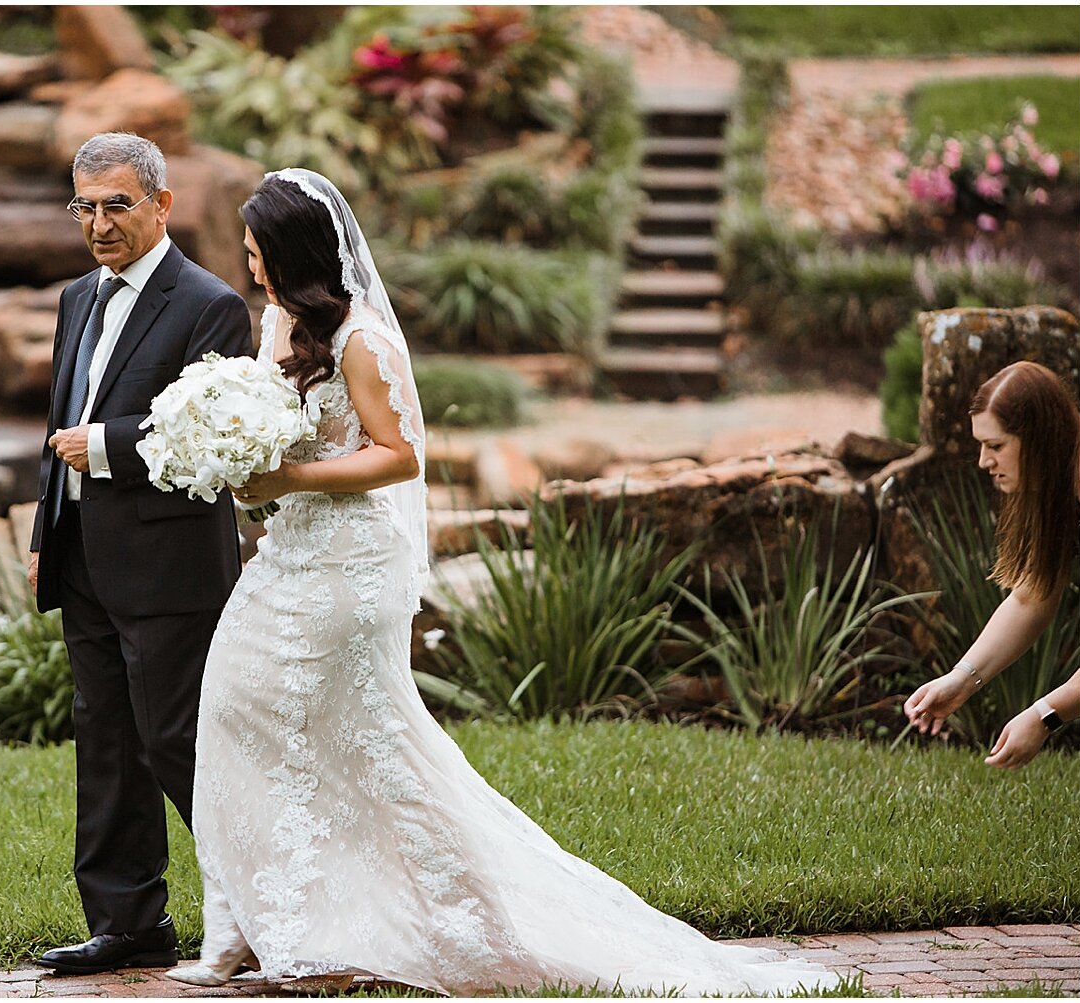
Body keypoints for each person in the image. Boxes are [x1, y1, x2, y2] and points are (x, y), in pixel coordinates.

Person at [164, 169, 839, 996]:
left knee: (368, 744)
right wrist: (234, 450)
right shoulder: (278, 324)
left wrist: (292, 477)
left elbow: (399, 455)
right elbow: (272, 423)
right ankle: (246, 927)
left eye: (259, 251)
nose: (250, 265)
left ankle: (399, 923)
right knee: (231, 707)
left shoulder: (362, 341)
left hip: (349, 563)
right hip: (287, 554)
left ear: (297, 254)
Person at [29, 132, 253, 975]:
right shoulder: (74, 298)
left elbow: (210, 437)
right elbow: (55, 424)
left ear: (163, 204)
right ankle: (127, 922)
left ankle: (268, 902)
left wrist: (109, 445)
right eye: (84, 206)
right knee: (106, 740)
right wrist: (45, 532)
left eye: (116, 204)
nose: (98, 223)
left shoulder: (210, 305)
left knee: (177, 739)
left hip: (168, 566)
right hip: (83, 554)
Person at [904, 360, 1080, 768]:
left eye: (996, 446)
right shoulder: (1057, 481)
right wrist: (961, 680)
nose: (984, 461)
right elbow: (1031, 599)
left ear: (1041, 439)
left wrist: (1044, 716)